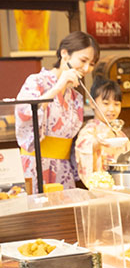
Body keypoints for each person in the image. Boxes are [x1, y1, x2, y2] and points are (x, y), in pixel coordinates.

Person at [15, 31, 100, 192]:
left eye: (92, 63)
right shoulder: (36, 82)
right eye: (83, 60)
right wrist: (57, 87)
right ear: (65, 54)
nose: (87, 68)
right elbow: (25, 113)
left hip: (62, 169)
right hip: (35, 165)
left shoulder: (75, 96)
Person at [75, 78, 130, 183]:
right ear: (92, 103)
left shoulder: (118, 132)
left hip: (122, 184)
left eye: (116, 104)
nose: (112, 109)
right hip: (101, 185)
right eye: (106, 103)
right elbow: (84, 152)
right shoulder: (89, 131)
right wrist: (96, 143)